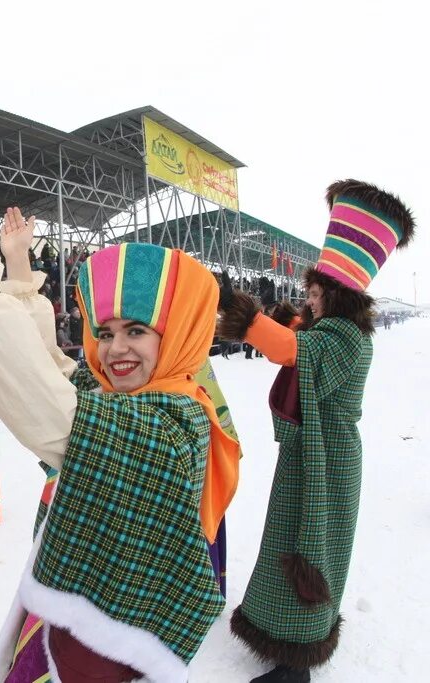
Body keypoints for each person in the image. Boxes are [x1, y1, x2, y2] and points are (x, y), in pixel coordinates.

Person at [0, 151, 239, 682]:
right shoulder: (138, 397)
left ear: (177, 334)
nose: (115, 349)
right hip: (79, 613)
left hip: (103, 650)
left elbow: (57, 412)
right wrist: (17, 271)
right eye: (105, 333)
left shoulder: (177, 420)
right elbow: (60, 373)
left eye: (136, 331)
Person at [217, 180, 415, 683]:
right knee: (294, 540)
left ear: (333, 295)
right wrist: (280, 319)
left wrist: (245, 315)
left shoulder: (343, 338)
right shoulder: (338, 330)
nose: (307, 300)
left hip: (326, 461)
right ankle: (282, 633)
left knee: (310, 547)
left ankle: (296, 663)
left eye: (312, 294)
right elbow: (299, 337)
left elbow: (294, 352)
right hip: (316, 455)